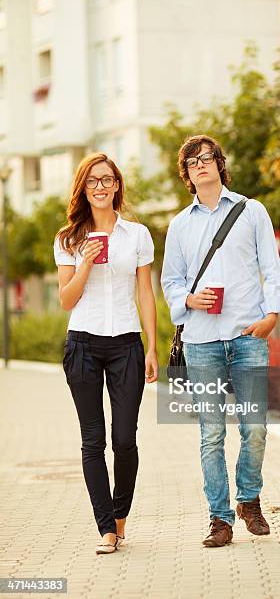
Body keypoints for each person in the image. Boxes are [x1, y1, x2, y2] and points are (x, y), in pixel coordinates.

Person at [161, 135, 280, 547]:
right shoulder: (180, 225)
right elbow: (170, 281)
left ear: (219, 163)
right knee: (212, 434)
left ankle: (249, 499)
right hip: (200, 342)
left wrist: (272, 315)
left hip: (248, 336)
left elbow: (272, 266)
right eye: (192, 161)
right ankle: (220, 518)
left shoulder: (252, 212)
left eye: (206, 157)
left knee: (255, 428)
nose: (200, 165)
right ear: (187, 174)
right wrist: (188, 300)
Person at [54, 153, 158, 555]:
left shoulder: (138, 235)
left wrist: (151, 346)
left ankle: (120, 516)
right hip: (82, 342)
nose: (100, 186)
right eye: (93, 181)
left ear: (117, 186)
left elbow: (145, 292)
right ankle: (106, 529)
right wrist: (84, 264)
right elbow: (66, 300)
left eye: (107, 180)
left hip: (126, 345)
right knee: (92, 440)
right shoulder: (67, 239)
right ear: (83, 188)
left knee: (124, 438)